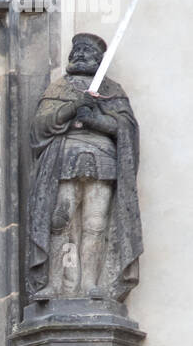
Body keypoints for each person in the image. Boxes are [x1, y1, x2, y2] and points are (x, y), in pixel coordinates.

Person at [26, 32, 142, 304]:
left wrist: (95, 119)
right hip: (64, 159)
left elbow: (124, 129)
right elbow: (39, 128)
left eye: (87, 52)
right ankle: (57, 283)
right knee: (60, 221)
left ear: (99, 59)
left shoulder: (113, 90)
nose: (79, 55)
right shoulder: (59, 88)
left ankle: (91, 283)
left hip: (102, 161)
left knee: (95, 223)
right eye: (76, 51)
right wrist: (71, 110)